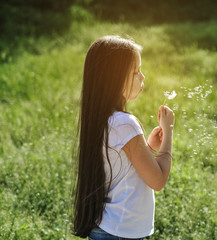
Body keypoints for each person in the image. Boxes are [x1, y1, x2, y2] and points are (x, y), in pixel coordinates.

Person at [73, 36, 175, 240]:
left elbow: (124, 168)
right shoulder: (125, 123)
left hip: (109, 228)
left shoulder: (103, 118)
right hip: (120, 233)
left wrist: (150, 148)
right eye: (136, 72)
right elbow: (157, 180)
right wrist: (169, 131)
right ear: (114, 78)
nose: (143, 77)